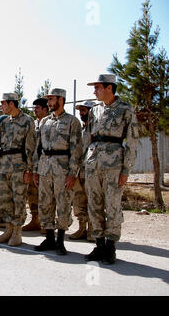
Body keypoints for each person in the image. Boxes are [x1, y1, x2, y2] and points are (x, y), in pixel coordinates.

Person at [84, 74, 139, 264]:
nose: (94, 91)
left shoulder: (125, 109)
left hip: (114, 165)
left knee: (113, 206)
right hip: (93, 163)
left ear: (109, 88)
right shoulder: (95, 110)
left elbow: (132, 141)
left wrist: (126, 170)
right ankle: (99, 244)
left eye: (98, 87)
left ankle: (111, 247)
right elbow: (87, 138)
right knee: (94, 204)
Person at [33, 88, 83, 255]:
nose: (49, 102)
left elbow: (76, 149)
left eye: (52, 99)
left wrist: (72, 173)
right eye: (48, 99)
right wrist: (35, 170)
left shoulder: (72, 121)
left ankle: (60, 240)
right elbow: (38, 148)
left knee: (63, 204)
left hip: (62, 169)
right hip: (44, 167)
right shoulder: (44, 121)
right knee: (45, 203)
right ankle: (49, 238)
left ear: (61, 100)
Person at [0, 93, 36, 247]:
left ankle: (17, 232)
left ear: (12, 104)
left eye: (3, 103)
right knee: (4, 200)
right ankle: (9, 229)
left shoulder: (27, 121)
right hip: (5, 166)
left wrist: (29, 169)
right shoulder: (4, 123)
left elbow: (31, 147)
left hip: (20, 166)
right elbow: (0, 148)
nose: (1, 106)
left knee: (19, 200)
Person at [69, 101, 95, 241]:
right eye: (80, 111)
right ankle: (81, 228)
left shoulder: (96, 129)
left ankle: (92, 229)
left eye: (84, 110)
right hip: (78, 171)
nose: (81, 113)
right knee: (79, 199)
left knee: (92, 199)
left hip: (91, 170)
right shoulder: (80, 130)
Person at [23, 97, 49, 233]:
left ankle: (46, 223)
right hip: (33, 164)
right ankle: (35, 220)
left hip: (46, 165)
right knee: (32, 193)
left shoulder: (50, 123)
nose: (34, 110)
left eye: (37, 108)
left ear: (45, 109)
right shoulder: (33, 124)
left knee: (46, 194)